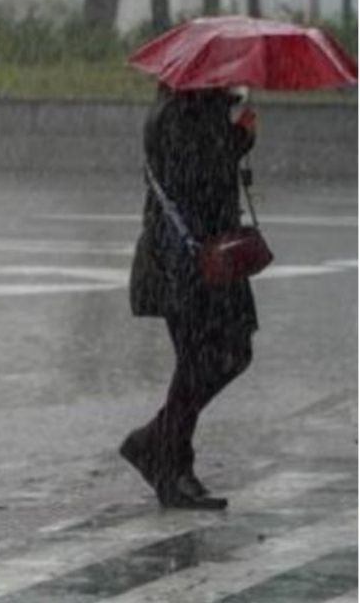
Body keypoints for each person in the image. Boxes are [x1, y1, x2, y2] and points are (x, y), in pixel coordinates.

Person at [120, 86, 259, 510]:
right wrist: (238, 140)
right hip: (185, 260)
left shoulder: (195, 108)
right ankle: (168, 460)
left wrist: (233, 140)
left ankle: (162, 450)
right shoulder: (179, 113)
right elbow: (195, 179)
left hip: (205, 256)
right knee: (208, 358)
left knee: (224, 354)